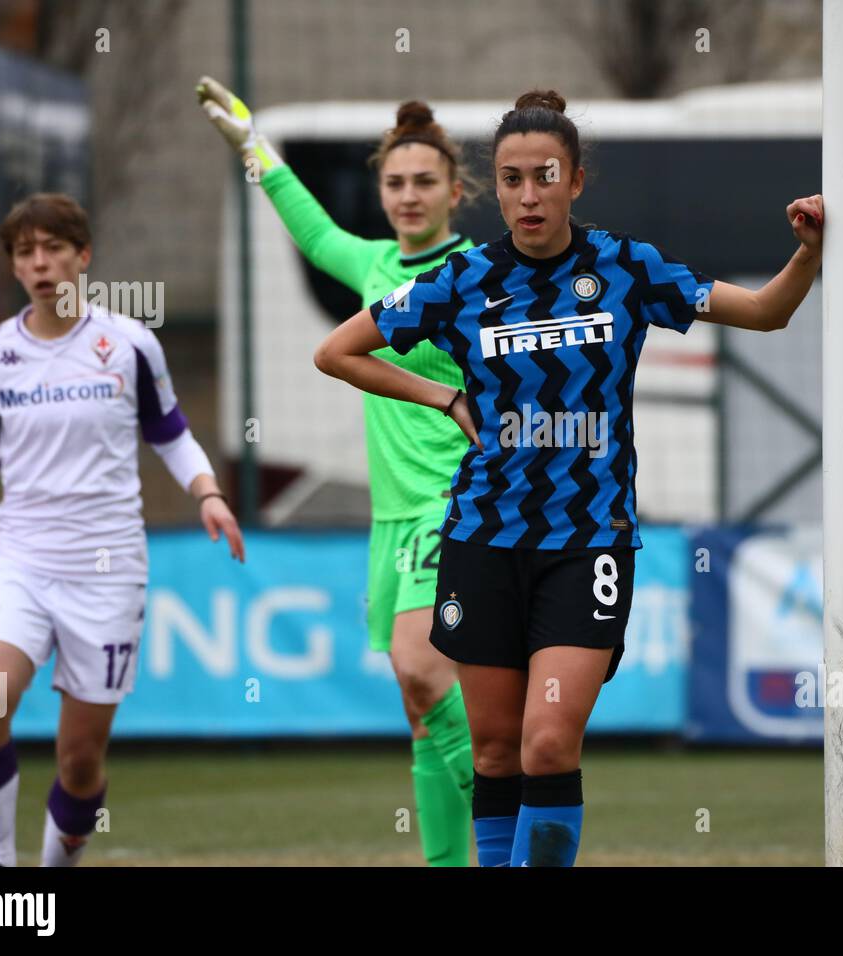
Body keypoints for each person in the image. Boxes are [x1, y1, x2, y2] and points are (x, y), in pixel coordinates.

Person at [312, 88, 825, 866]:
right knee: (492, 755)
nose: (527, 195)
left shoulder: (626, 267)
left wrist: (809, 253)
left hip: (586, 543)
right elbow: (337, 352)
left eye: (544, 176)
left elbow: (764, 312)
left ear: (576, 180)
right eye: (511, 178)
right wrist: (444, 395)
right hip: (482, 537)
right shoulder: (462, 280)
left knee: (546, 744)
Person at [0, 193, 245, 867]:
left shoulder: (129, 344)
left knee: (80, 758)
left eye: (53, 248)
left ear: (82, 256)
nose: (40, 264)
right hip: (22, 563)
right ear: (13, 266)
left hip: (109, 569)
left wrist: (208, 493)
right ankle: (2, 873)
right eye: (25, 252)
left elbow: (170, 434)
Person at [196, 78, 477, 866]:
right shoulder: (372, 264)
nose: (409, 196)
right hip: (392, 516)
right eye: (395, 183)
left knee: (424, 673)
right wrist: (253, 148)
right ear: (380, 192)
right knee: (419, 713)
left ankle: (512, 817)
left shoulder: (478, 272)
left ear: (456, 191)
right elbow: (310, 228)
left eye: (425, 182)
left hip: (452, 503)